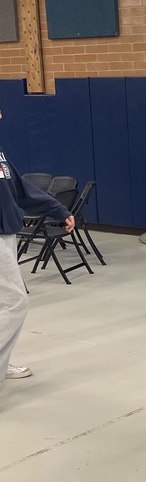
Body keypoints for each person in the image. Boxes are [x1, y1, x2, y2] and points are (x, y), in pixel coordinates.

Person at [1, 107, 75, 385]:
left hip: (7, 233)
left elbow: (22, 192)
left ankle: (3, 362)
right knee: (15, 302)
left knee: (3, 304)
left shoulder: (1, 154)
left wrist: (59, 210)